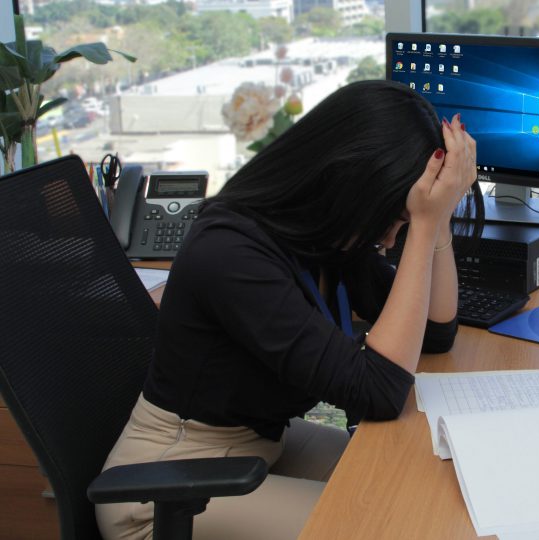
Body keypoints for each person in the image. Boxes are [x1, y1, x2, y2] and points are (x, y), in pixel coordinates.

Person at [95, 79, 483, 540]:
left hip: (259, 448)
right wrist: (419, 223)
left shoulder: (322, 238)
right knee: (391, 521)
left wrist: (437, 217)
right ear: (349, 185)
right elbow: (379, 391)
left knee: (425, 485)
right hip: (165, 490)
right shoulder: (230, 254)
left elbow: (436, 334)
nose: (388, 241)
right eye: (390, 221)